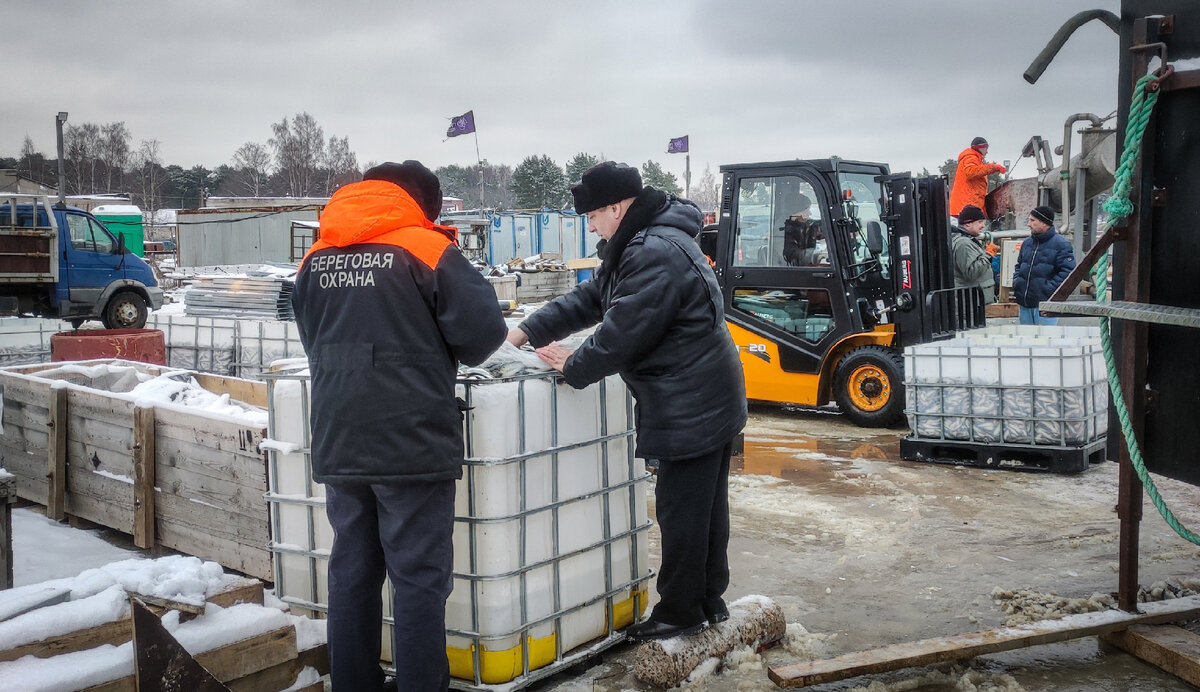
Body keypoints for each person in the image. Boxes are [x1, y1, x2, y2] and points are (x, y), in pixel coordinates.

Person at [506, 161, 747, 641]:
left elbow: (622, 334)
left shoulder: (653, 251)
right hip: (705, 393)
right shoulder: (645, 243)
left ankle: (681, 610)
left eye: (592, 216)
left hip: (691, 401)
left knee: (683, 510)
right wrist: (527, 329)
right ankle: (707, 598)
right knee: (703, 507)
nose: (590, 226)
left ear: (616, 207)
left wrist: (570, 364)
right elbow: (595, 298)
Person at [291, 161, 507, 691]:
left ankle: (354, 683)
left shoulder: (315, 257)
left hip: (340, 439)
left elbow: (313, 336)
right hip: (410, 442)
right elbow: (484, 336)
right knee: (417, 580)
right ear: (419, 205)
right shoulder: (426, 248)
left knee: (352, 572)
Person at [1012, 204, 1075, 325]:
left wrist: (1048, 290)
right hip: (1025, 303)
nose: (1028, 224)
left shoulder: (1061, 245)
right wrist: (1017, 282)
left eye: (1032, 220)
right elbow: (1019, 265)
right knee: (1025, 340)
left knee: (1045, 340)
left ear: (1044, 223)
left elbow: (1068, 273)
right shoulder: (1027, 243)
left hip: (1046, 305)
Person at [949, 136, 1006, 217]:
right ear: (980, 148)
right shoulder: (970, 158)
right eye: (986, 148)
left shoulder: (974, 159)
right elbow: (971, 172)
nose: (987, 152)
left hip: (967, 206)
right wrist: (993, 167)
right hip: (967, 207)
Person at [950, 204, 995, 304]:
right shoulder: (964, 244)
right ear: (967, 224)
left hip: (973, 301)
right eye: (979, 222)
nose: (983, 225)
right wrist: (988, 254)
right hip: (970, 303)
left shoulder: (968, 241)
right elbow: (971, 273)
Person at [781, 194, 827, 266]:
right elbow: (792, 252)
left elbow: (817, 228)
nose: (810, 213)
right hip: (793, 271)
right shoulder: (782, 230)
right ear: (797, 212)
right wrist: (816, 256)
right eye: (806, 210)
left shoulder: (803, 224)